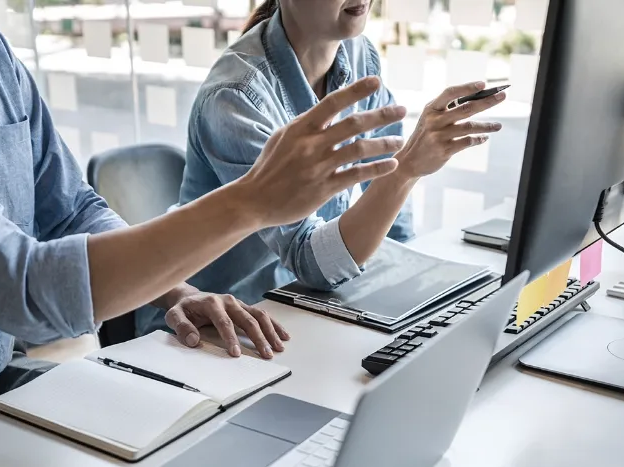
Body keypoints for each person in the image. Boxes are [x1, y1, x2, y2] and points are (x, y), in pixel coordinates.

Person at [0, 7, 406, 417]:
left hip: (3, 374)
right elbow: (25, 288)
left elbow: (72, 209)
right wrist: (251, 201)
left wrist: (178, 292)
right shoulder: (236, 92)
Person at [139, 0, 507, 335]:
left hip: (309, 306)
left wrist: (412, 297)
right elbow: (311, 261)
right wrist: (406, 170)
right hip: (217, 323)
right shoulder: (235, 96)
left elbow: (394, 229)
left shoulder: (358, 53)